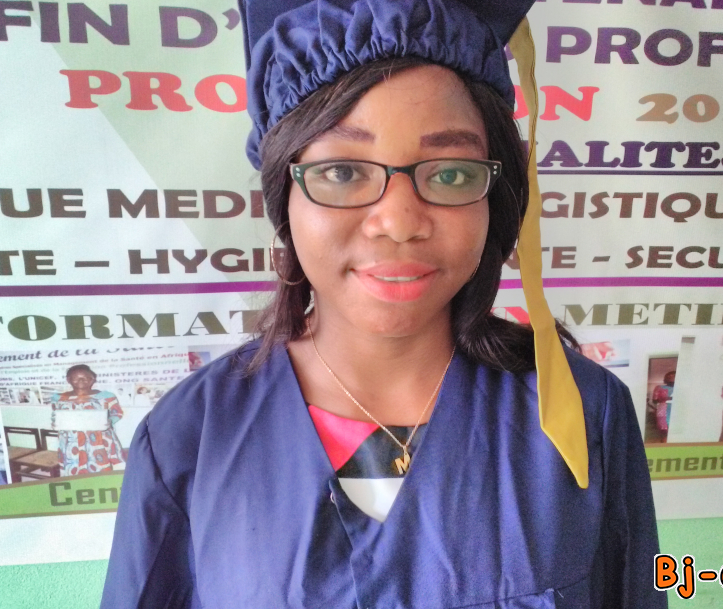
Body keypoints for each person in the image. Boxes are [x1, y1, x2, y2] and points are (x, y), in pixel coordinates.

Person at [101, 1, 664, 607]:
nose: (398, 221)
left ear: (494, 198)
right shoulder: (188, 439)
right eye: (343, 172)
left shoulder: (583, 415)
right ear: (285, 196)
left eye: (450, 173)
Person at [50, 364, 125, 476]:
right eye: (76, 378)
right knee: (73, 468)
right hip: (71, 440)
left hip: (99, 439)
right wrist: (55, 423)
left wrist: (110, 421)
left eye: (85, 378)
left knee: (101, 469)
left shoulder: (106, 396)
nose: (81, 380)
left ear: (92, 379)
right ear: (68, 380)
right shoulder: (58, 397)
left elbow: (117, 413)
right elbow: (55, 415)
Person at [652, 371, 676, 443]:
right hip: (663, 411)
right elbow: (654, 400)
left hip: (678, 410)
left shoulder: (682, 388)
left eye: (673, 376)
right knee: (664, 431)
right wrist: (666, 398)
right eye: (669, 376)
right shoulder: (659, 387)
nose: (671, 378)